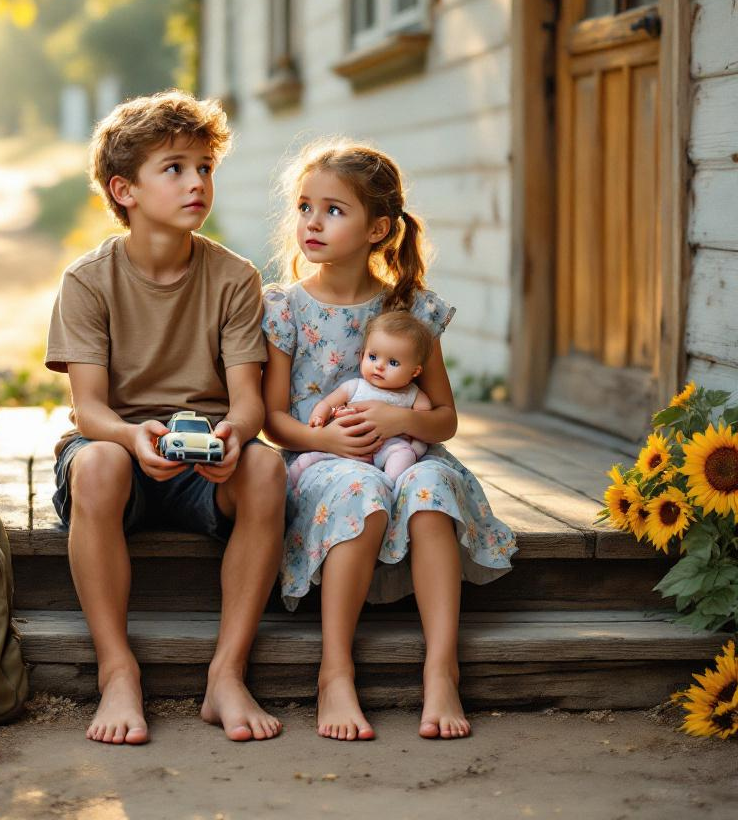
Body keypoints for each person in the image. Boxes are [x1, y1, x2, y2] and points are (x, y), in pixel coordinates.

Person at [45, 91, 286, 746]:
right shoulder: (87, 280)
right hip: (117, 453)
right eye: (175, 168)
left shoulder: (234, 278)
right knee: (98, 463)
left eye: (205, 167)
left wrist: (235, 435)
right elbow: (89, 409)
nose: (196, 183)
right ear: (124, 190)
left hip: (204, 464)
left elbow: (246, 402)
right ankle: (117, 671)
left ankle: (226, 674)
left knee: (266, 470)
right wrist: (131, 435)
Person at [261, 140, 517, 742]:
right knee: (359, 486)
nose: (312, 222)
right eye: (304, 207)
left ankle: (441, 669)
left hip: (412, 451)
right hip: (323, 459)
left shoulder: (412, 310)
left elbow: (444, 419)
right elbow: (273, 420)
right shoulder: (285, 308)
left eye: (333, 210)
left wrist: (400, 422)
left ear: (377, 229)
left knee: (430, 486)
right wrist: (327, 438)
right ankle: (335, 672)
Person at [288, 309, 434, 486]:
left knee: (403, 454)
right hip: (346, 445)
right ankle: (289, 486)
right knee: (308, 460)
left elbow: (425, 419)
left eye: (393, 362)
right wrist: (318, 417)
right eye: (373, 357)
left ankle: (388, 483)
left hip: (388, 448)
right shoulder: (355, 386)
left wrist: (415, 447)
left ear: (415, 371)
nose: (379, 366)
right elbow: (327, 403)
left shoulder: (412, 394)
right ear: (362, 356)